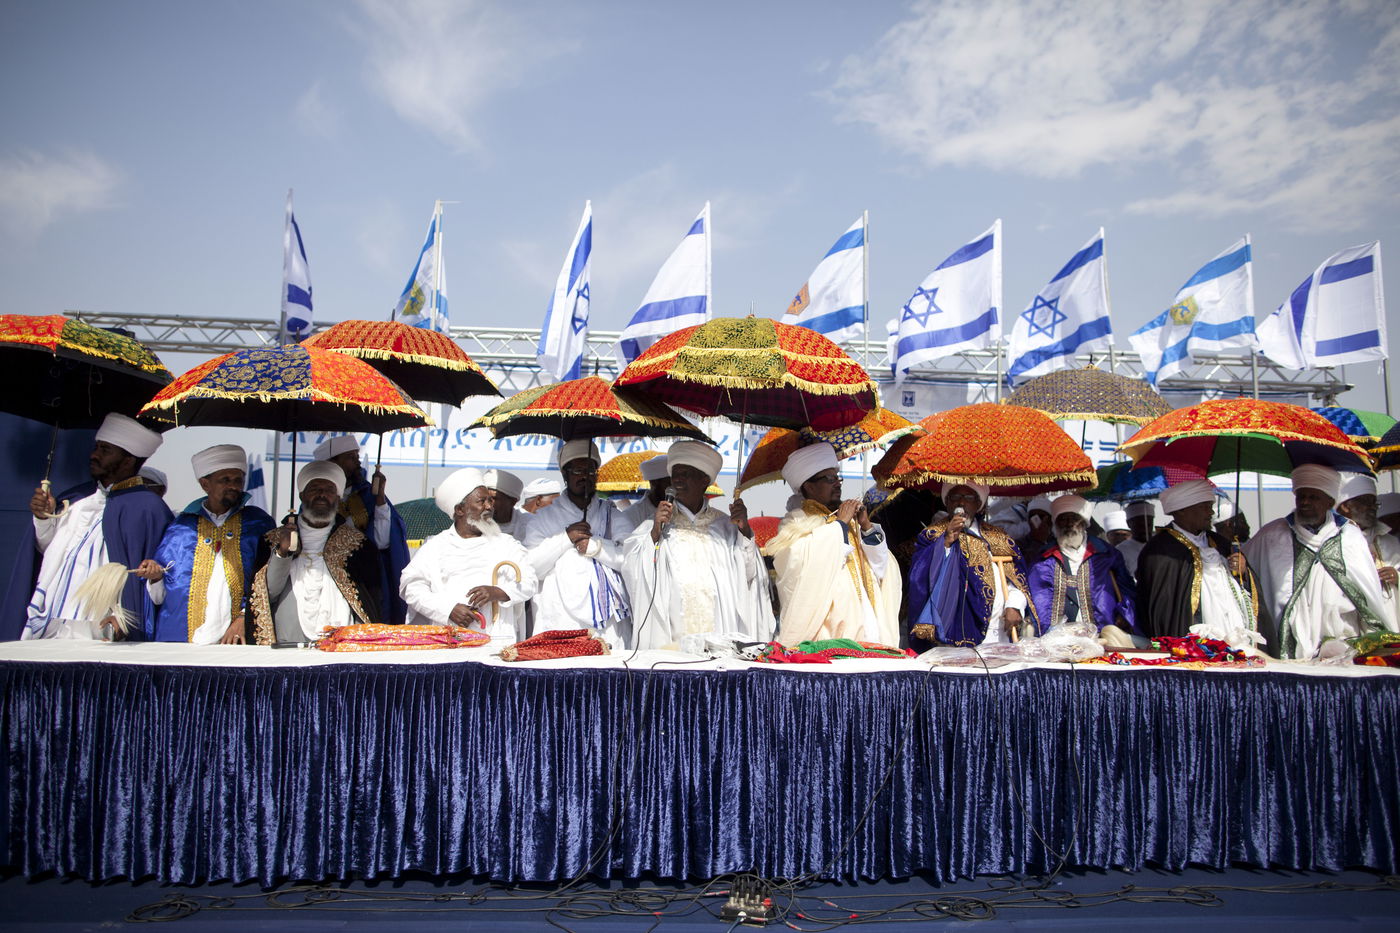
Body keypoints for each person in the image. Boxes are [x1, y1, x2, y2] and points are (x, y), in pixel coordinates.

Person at [7, 413, 172, 641]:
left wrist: (128, 613)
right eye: (96, 447)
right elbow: (47, 550)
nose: (94, 455)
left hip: (100, 625)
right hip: (52, 618)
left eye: (105, 450)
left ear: (127, 461)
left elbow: (151, 579)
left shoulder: (149, 509)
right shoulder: (75, 498)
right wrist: (43, 517)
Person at [622, 441, 774, 649]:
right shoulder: (654, 524)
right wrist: (655, 534)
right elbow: (634, 570)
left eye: (685, 473)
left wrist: (744, 532)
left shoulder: (726, 527)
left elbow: (749, 576)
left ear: (704, 480)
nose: (677, 479)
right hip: (672, 637)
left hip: (719, 632)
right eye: (675, 473)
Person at [1242, 465, 1390, 659]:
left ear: (1329, 501)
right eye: (1301, 496)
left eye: (1313, 497)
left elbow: (1368, 593)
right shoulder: (1272, 535)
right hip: (1289, 648)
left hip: (1344, 641)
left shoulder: (1349, 537)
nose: (1305, 502)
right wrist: (1241, 565)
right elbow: (1246, 578)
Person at [763, 443, 901, 647]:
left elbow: (881, 567)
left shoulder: (849, 519)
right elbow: (794, 566)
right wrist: (839, 527)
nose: (837, 484)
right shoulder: (796, 522)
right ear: (809, 486)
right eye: (829, 479)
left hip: (866, 625)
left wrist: (865, 527)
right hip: (825, 631)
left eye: (838, 478)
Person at [135, 445, 275, 643]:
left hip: (236, 637)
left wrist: (245, 617)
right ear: (205, 484)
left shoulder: (258, 523)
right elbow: (160, 595)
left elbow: (269, 581)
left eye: (238, 480)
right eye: (225, 480)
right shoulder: (182, 527)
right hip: (181, 637)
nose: (234, 486)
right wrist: (155, 577)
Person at [249, 461, 385, 644]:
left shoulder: (358, 545)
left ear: (337, 497)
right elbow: (267, 595)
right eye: (314, 488)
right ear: (302, 495)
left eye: (329, 489)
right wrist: (282, 553)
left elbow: (367, 604)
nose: (322, 494)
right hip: (288, 644)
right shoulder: (272, 539)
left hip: (341, 646)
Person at [400, 468, 538, 639]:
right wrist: (447, 609)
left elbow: (530, 582)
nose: (489, 506)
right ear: (460, 510)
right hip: (449, 638)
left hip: (498, 638)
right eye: (482, 502)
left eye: (490, 501)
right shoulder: (435, 546)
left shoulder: (507, 544)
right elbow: (411, 586)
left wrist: (498, 592)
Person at [522, 440, 636, 645]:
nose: (585, 477)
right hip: (560, 619)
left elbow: (632, 558)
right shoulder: (544, 518)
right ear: (565, 475)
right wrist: (566, 538)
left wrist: (597, 547)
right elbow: (531, 568)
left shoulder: (611, 513)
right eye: (578, 471)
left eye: (591, 471)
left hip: (608, 626)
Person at [907, 481, 1033, 648]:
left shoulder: (998, 537)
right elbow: (918, 577)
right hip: (949, 633)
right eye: (955, 497)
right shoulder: (932, 535)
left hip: (995, 633)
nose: (961, 503)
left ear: (979, 504)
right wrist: (945, 543)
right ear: (947, 502)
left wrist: (1015, 605)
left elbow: (1018, 580)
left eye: (968, 497)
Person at [313, 435, 410, 622]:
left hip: (365, 578)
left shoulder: (367, 493)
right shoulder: (317, 500)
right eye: (350, 458)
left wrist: (380, 499)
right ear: (333, 464)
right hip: (326, 573)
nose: (357, 462)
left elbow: (384, 541)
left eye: (357, 456)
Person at [1026, 495, 1139, 644]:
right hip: (1056, 637)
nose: (1068, 524)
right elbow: (1035, 595)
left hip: (1100, 631)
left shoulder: (1106, 554)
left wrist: (1123, 615)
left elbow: (1126, 589)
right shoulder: (1043, 558)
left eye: (1074, 518)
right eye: (1063, 519)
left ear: (1084, 523)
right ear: (1055, 523)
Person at [1335, 473, 1400, 633]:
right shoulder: (1333, 541)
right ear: (1345, 506)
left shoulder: (1389, 541)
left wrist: (1396, 576)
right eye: (1365, 502)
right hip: (1350, 623)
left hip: (1390, 619)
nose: (1372, 508)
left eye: (1374, 503)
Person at [620, 454, 669, 527]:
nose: (677, 487)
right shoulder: (631, 515)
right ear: (654, 482)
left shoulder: (681, 509)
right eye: (670, 482)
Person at [487, 469, 531, 540]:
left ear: (513, 502)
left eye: (494, 498)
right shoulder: (474, 521)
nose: (487, 504)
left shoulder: (530, 524)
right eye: (483, 499)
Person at [1116, 500, 1154, 577]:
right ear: (1128, 524)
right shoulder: (1120, 551)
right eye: (1140, 525)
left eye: (1149, 524)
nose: (1145, 529)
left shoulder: (1162, 545)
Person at [1017, 497, 1054, 566]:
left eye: (1041, 516)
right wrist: (1038, 541)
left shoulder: (1057, 542)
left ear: (1050, 520)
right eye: (1033, 516)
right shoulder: (1019, 544)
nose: (1037, 520)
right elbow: (1023, 565)